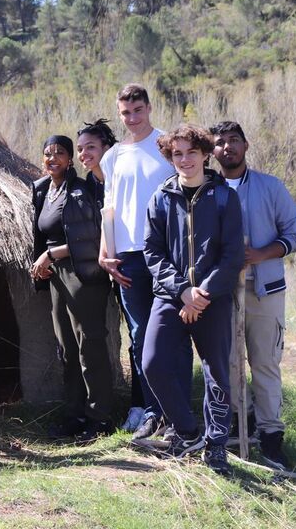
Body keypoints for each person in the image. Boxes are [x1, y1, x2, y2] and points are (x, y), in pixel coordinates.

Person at [142, 125, 244, 475]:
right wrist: (182, 290)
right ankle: (186, 432)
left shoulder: (224, 197)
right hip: (170, 296)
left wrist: (203, 293)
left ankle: (216, 447)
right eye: (177, 154)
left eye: (190, 152)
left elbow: (232, 255)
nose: (184, 160)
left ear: (204, 154)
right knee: (152, 362)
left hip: (212, 298)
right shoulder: (160, 196)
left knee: (217, 371)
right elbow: (152, 252)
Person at [96, 84, 190, 440]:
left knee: (175, 336)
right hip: (129, 258)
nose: (132, 118)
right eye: (125, 113)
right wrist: (107, 252)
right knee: (140, 337)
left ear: (149, 108)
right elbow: (110, 206)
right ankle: (153, 411)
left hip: (167, 254)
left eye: (138, 110)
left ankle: (180, 418)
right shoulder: (114, 156)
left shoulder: (168, 147)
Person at [211, 120, 296, 470]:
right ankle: (239, 427)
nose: (227, 147)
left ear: (246, 145)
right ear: (213, 151)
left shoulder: (270, 187)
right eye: (220, 142)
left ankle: (270, 438)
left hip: (265, 291)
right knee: (228, 364)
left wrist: (261, 254)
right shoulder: (208, 190)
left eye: (234, 140)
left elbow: (295, 233)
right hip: (222, 293)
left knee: (265, 363)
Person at [30, 136, 114, 441]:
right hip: (55, 275)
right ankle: (75, 414)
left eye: (60, 154)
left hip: (82, 272)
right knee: (67, 348)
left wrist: (51, 255)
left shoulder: (79, 191)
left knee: (89, 344)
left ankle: (100, 418)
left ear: (70, 160)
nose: (53, 159)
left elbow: (93, 237)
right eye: (47, 154)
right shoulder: (43, 190)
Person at [77, 119, 148, 430]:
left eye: (91, 147)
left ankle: (142, 404)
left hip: (128, 266)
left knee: (140, 336)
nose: (84, 154)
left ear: (108, 149)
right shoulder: (85, 188)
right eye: (80, 149)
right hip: (97, 273)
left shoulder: (124, 179)